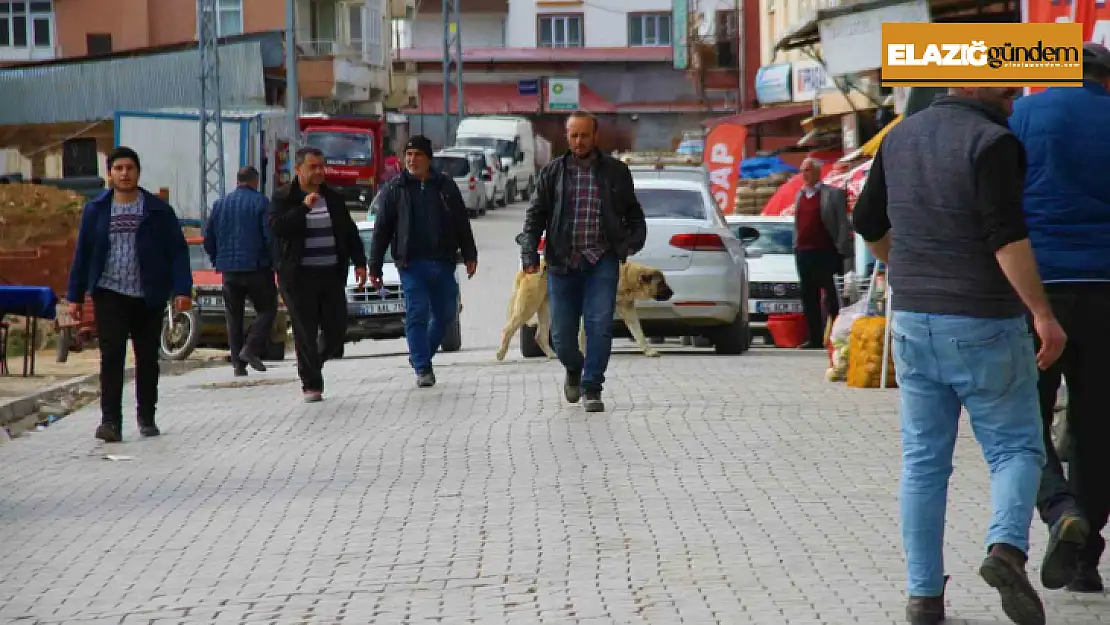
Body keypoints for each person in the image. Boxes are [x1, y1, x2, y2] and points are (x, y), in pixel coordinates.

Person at [852, 88, 1066, 625]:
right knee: (1016, 448)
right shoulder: (993, 141)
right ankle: (1006, 551)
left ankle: (924, 596)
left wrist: (905, 262)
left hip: (913, 322)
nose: (1017, 95)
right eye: (1008, 84)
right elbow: (1006, 236)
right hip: (984, 322)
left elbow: (866, 222)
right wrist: (1041, 312)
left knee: (924, 464)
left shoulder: (898, 137)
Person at [1008, 41, 1110, 594]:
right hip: (1108, 291)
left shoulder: (1021, 115)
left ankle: (1059, 509)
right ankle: (1085, 558)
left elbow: (1001, 201)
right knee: (1099, 428)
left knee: (1027, 417)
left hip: (1039, 291)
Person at [519, 111, 646, 413]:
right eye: (574, 136)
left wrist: (629, 245)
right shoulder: (552, 173)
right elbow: (535, 216)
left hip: (601, 261)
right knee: (561, 336)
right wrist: (529, 254)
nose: (579, 141)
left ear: (595, 136)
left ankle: (592, 387)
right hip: (563, 263)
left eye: (584, 135)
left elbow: (633, 214)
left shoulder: (615, 172)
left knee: (599, 326)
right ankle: (574, 368)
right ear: (567, 137)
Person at [66, 146, 193, 442]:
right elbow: (83, 254)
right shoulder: (96, 210)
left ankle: (146, 416)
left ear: (138, 172)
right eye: (119, 168)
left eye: (130, 168)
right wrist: (74, 296)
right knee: (112, 357)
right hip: (109, 293)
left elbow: (176, 251)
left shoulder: (157, 210)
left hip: (148, 295)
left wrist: (181, 289)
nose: (125, 174)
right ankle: (110, 421)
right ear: (109, 174)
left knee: (147, 358)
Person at [368, 136, 477, 388]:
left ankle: (421, 353)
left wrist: (470, 254)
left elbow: (461, 221)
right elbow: (381, 229)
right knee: (416, 312)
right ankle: (423, 367)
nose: (412, 159)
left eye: (417, 155)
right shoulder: (395, 189)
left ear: (428, 159)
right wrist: (375, 266)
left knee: (447, 313)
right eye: (408, 155)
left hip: (443, 261)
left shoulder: (445, 186)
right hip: (411, 264)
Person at [270, 147, 367, 402]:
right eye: (313, 167)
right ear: (298, 169)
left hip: (331, 274)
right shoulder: (284, 197)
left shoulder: (332, 198)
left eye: (321, 166)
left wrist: (360, 263)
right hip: (298, 277)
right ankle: (311, 383)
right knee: (305, 332)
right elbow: (277, 227)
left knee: (336, 330)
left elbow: (349, 232)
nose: (319, 172)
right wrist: (303, 208)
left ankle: (316, 361)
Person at [202, 166, 278, 376]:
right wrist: (274, 262)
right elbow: (269, 237)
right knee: (267, 309)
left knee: (233, 317)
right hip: (256, 268)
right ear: (255, 181)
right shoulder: (261, 202)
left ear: (237, 181)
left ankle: (238, 365)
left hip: (229, 271)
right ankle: (250, 348)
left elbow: (208, 238)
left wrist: (217, 258)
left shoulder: (219, 205)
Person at [792, 157, 852, 349]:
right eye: (802, 170)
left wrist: (841, 247)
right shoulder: (800, 195)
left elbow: (843, 223)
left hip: (827, 251)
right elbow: (797, 224)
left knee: (832, 295)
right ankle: (814, 338)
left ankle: (835, 336)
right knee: (808, 296)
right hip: (804, 252)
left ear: (818, 172)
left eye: (808, 169)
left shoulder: (832, 194)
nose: (804, 174)